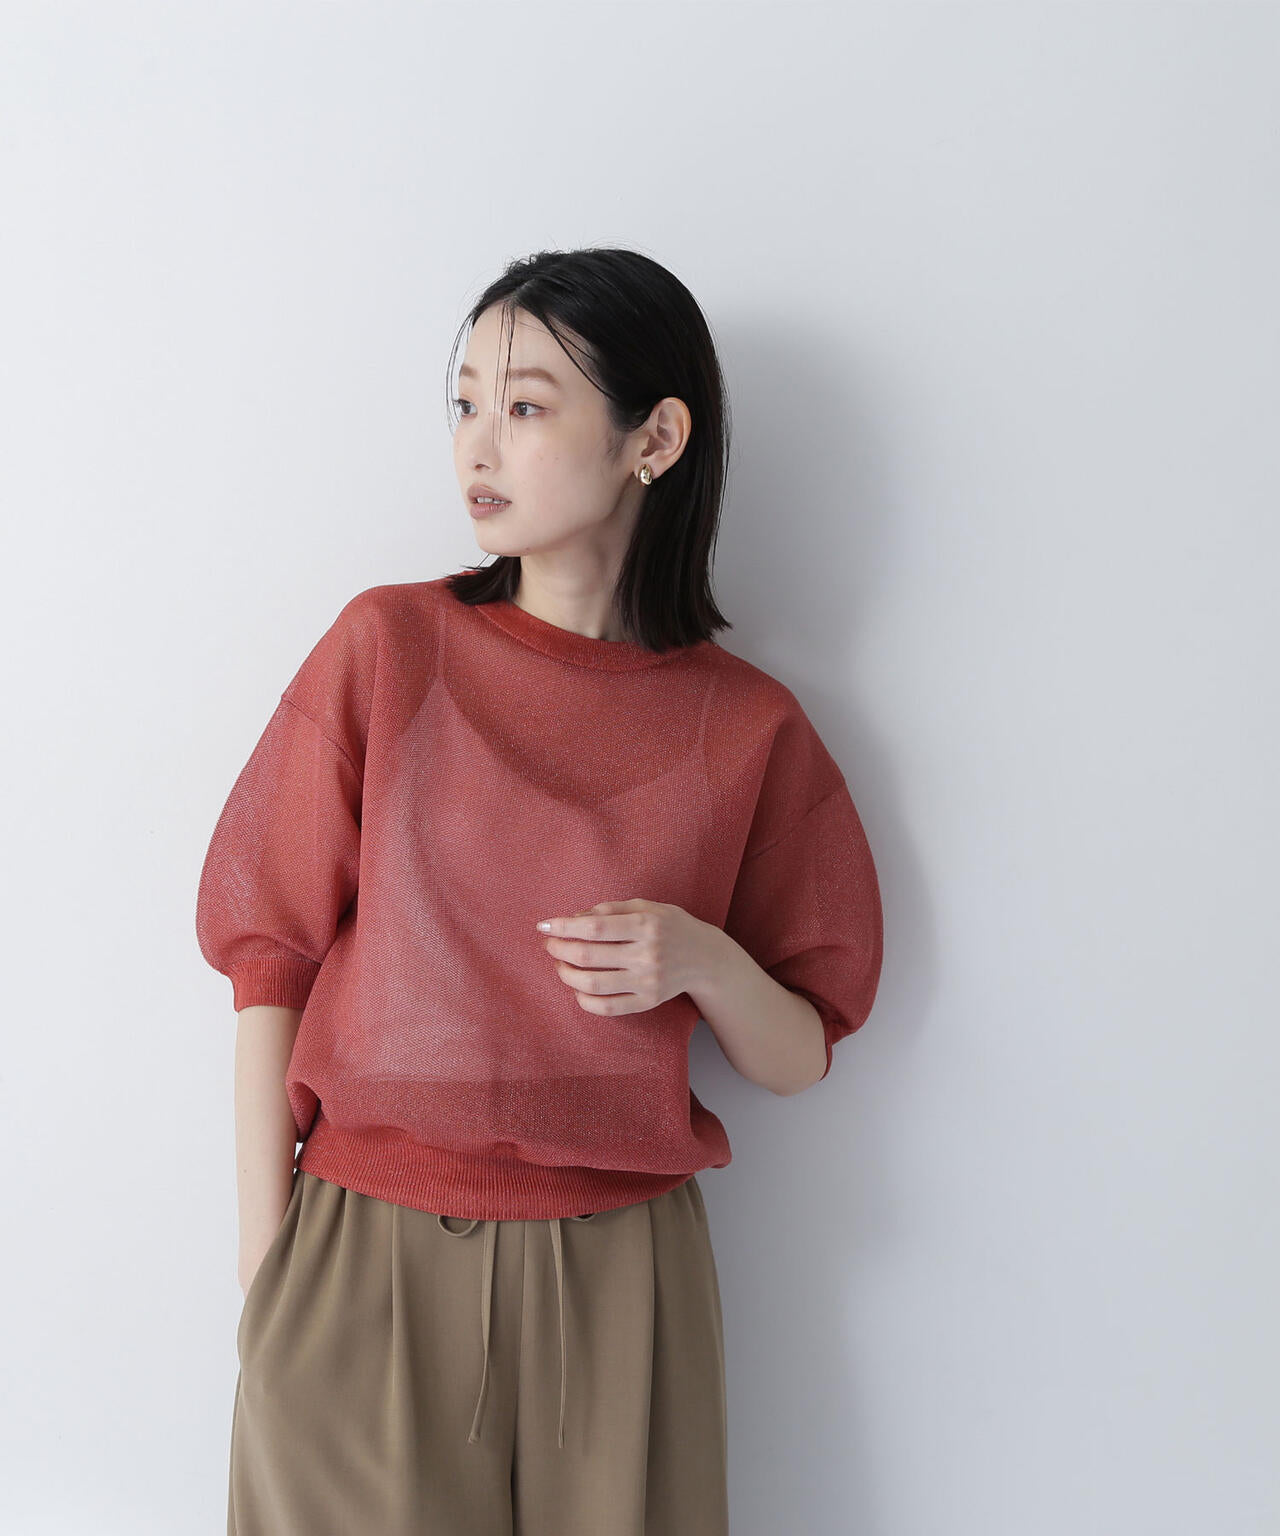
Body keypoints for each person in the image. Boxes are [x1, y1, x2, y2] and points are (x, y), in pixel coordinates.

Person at [196, 246, 885, 1536]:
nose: (477, 445)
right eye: (464, 402)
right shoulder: (389, 647)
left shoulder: (746, 726)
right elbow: (268, 954)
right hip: (362, 1252)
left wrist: (704, 958)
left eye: (524, 406)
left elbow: (801, 1052)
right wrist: (267, 1257)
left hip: (620, 1276)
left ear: (655, 439)